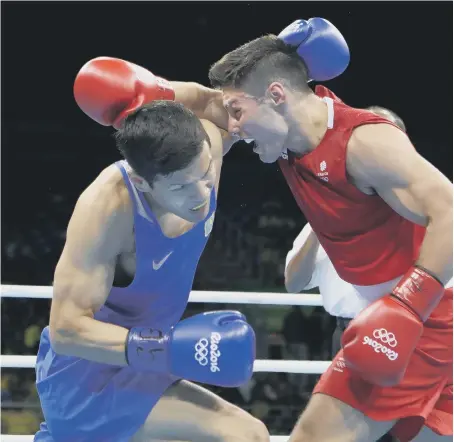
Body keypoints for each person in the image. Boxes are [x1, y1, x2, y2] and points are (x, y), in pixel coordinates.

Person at [159, 18, 452, 442]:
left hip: (425, 317)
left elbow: (449, 210)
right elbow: (205, 102)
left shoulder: (363, 143)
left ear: (277, 95)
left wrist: (408, 307)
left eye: (238, 112)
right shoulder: (286, 133)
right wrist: (146, 89)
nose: (232, 126)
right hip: (406, 316)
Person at [33, 58, 267, 442]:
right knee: (245, 436)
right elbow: (66, 329)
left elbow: (218, 103)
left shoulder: (205, 151)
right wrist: (159, 348)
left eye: (205, 175)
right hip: (89, 378)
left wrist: (158, 91)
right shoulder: (110, 206)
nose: (201, 195)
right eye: (180, 188)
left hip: (149, 366)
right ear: (143, 183)